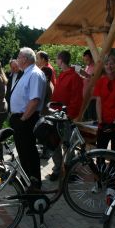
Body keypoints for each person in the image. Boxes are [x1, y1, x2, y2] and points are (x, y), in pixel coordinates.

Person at [10, 47, 46, 189]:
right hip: (21, 118)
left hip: (27, 119)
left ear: (25, 58)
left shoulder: (35, 74)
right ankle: (27, 181)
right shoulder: (27, 72)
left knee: (29, 152)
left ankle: (34, 184)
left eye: (19, 56)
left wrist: (23, 119)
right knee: (24, 153)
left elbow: (35, 100)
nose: (17, 59)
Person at [47, 50, 83, 180]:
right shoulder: (62, 75)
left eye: (57, 59)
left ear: (61, 60)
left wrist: (69, 115)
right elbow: (57, 95)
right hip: (56, 115)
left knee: (68, 145)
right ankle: (58, 169)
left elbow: (77, 99)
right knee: (54, 143)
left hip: (67, 117)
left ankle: (70, 172)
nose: (56, 61)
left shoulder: (75, 77)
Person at [82, 49, 97, 120]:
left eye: (87, 60)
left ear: (92, 58)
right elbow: (87, 78)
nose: (86, 62)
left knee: (91, 119)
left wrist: (86, 75)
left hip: (92, 98)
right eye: (85, 60)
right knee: (85, 118)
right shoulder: (87, 66)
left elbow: (95, 79)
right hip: (86, 97)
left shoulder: (97, 67)